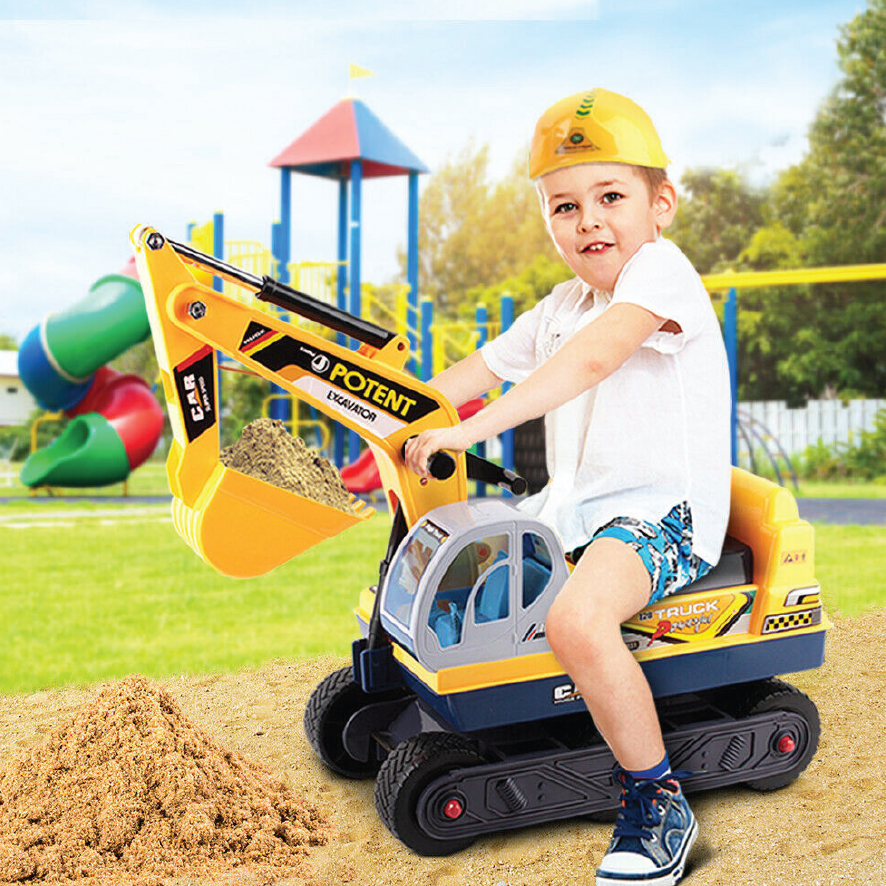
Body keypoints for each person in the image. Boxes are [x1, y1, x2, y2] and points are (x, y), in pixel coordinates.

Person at [405, 88, 731, 886]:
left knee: (577, 620)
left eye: (610, 198)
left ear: (661, 205)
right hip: (576, 512)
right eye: (564, 206)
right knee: (473, 582)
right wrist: (403, 412)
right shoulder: (562, 304)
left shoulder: (662, 274)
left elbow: (591, 360)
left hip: (663, 517)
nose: (588, 220)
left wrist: (464, 432)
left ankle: (658, 800)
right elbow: (476, 373)